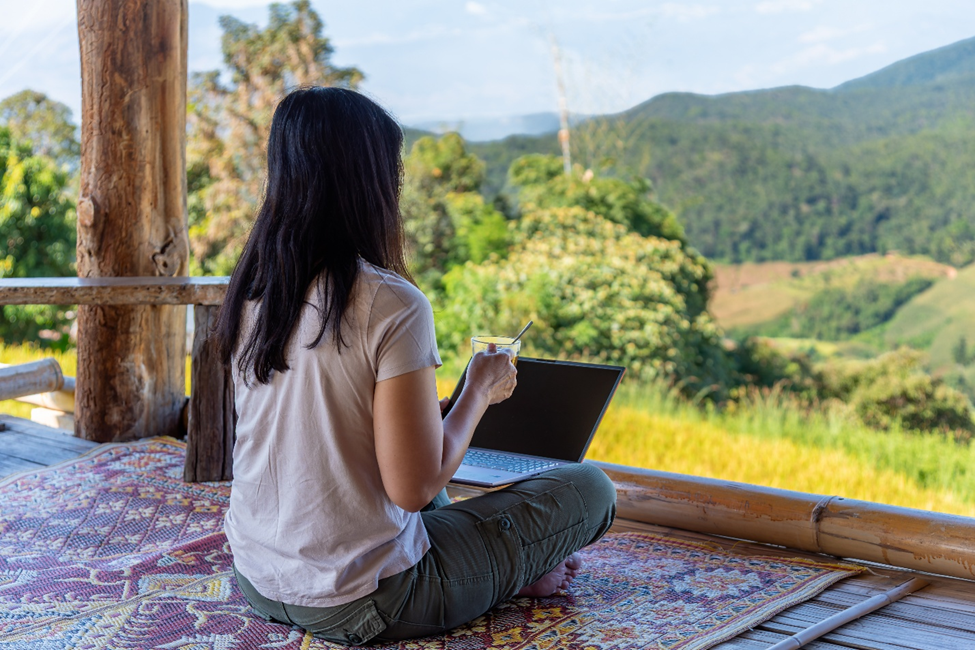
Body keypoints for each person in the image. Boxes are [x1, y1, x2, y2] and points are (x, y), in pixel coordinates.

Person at [215, 86, 617, 646]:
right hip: (365, 599)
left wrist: (432, 415)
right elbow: (413, 488)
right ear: (372, 184)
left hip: (259, 575)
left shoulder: (255, 289)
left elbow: (320, 426)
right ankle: (507, 572)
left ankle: (504, 570)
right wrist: (477, 391)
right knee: (592, 487)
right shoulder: (391, 302)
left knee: (429, 464)